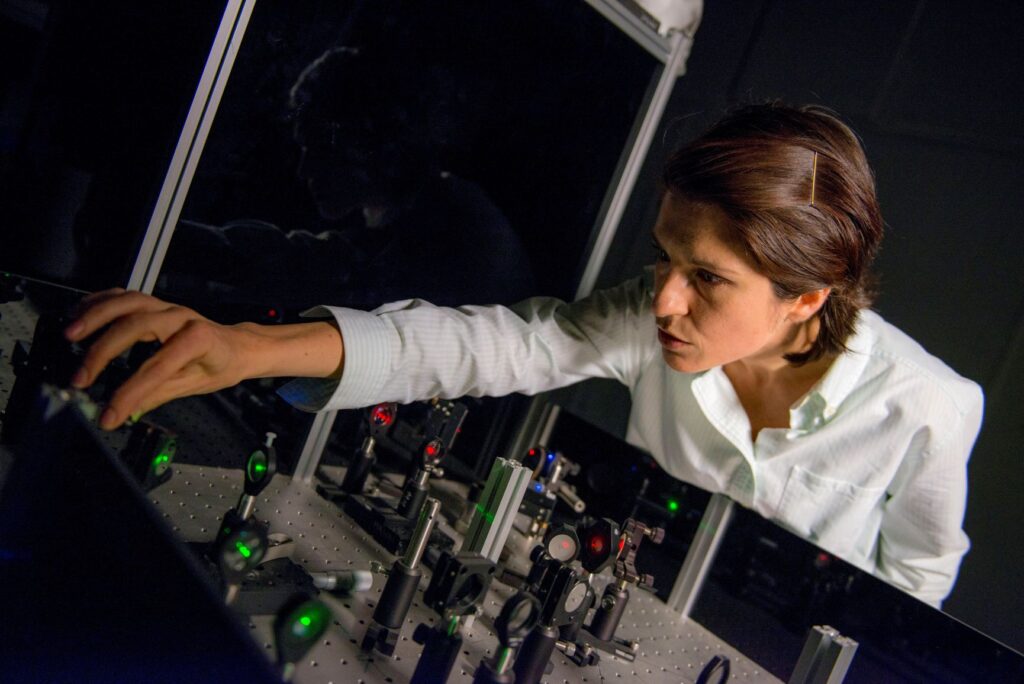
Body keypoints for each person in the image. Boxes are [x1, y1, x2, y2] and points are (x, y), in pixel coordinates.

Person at [63, 103, 982, 607]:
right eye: (665, 258)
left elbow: (916, 592)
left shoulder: (932, 409)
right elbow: (491, 343)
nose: (663, 299)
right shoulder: (651, 325)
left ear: (808, 298)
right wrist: (249, 346)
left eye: (707, 279)